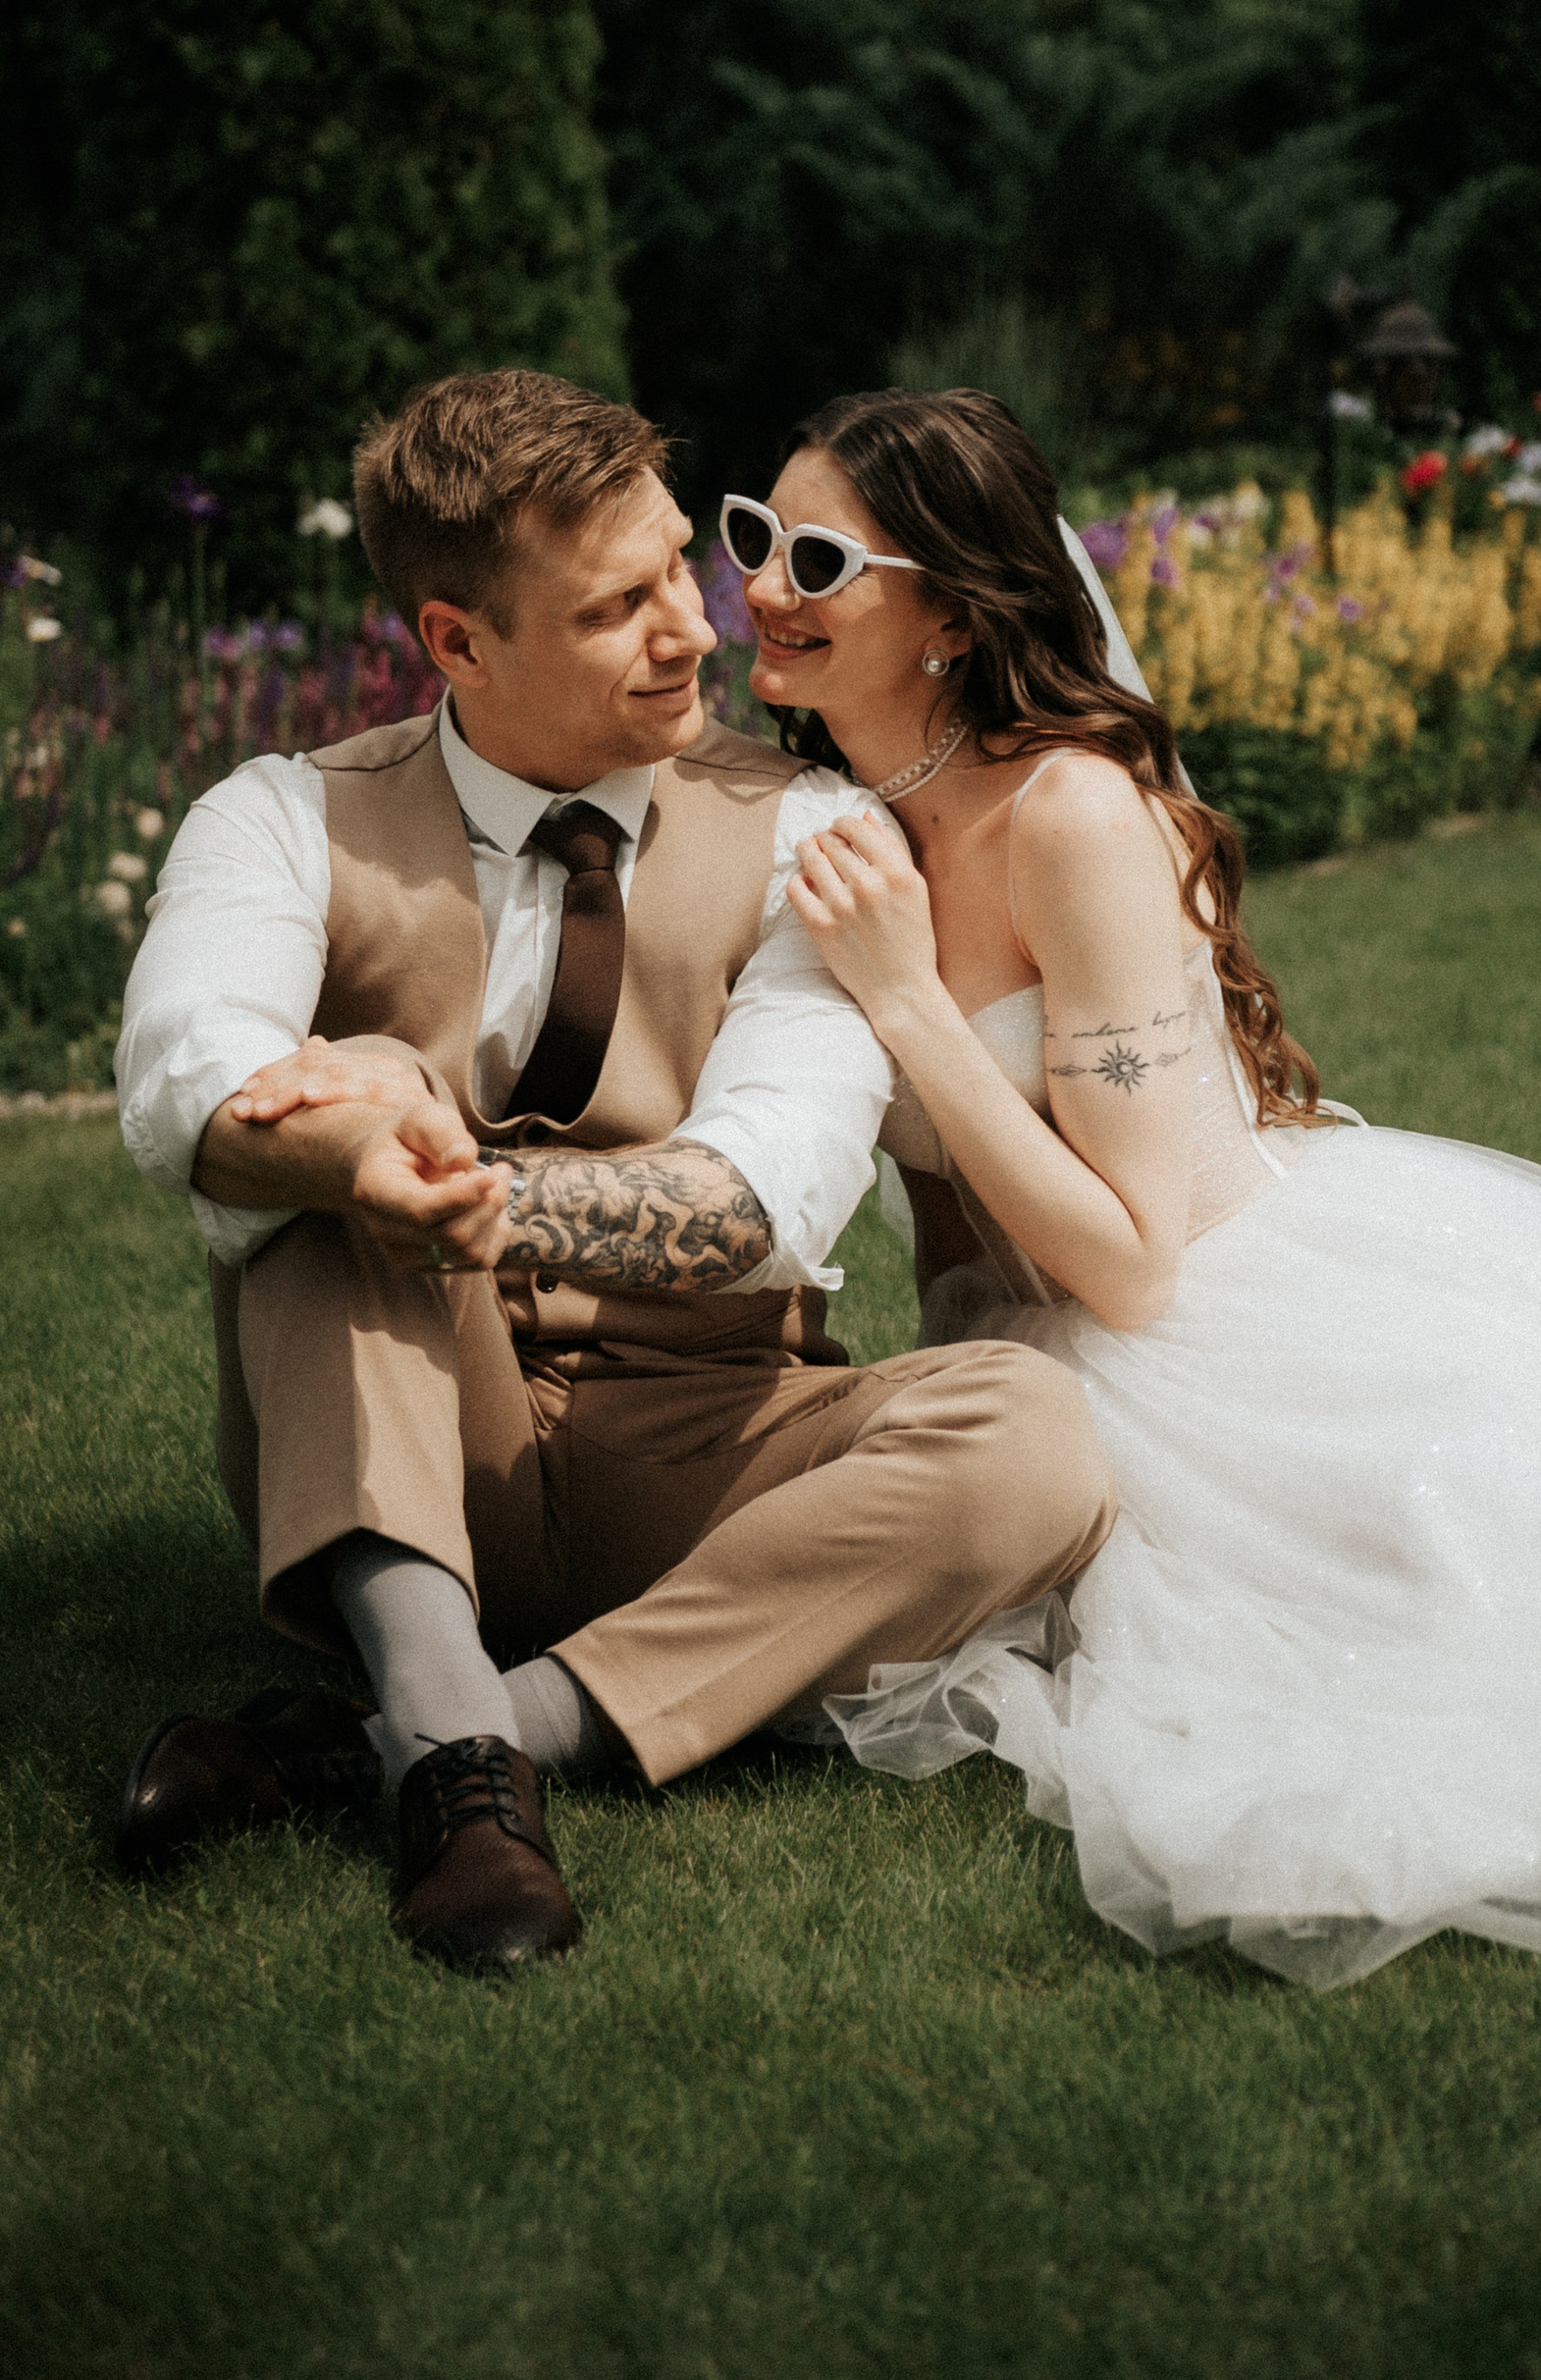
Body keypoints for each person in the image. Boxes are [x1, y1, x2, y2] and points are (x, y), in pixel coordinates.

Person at [728, 383, 1541, 1993]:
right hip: (1027, 1359)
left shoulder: (1071, 814)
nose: (762, 587)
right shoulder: (839, 824)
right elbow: (942, 1202)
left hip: (1230, 1323)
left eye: (816, 560)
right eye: (754, 537)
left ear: (953, 614)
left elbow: (1139, 1266)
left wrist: (911, 1003)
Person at [112, 370, 1115, 1972]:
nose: (695, 630)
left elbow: (767, 1199)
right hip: (411, 1428)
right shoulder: (282, 818)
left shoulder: (811, 832)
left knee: (1037, 1437)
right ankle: (458, 1763)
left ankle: (448, 1741)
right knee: (338, 1130)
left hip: (707, 1440)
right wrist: (365, 1148)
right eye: (614, 609)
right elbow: (183, 1080)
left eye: (676, 575)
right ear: (458, 643)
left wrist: (469, 1199)